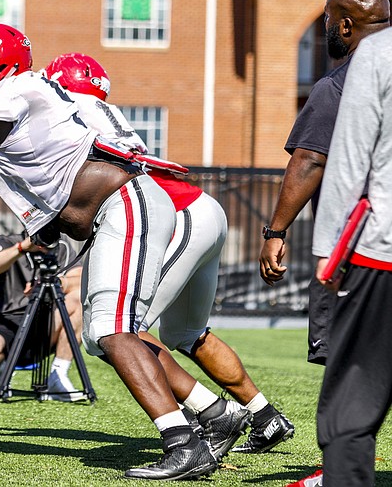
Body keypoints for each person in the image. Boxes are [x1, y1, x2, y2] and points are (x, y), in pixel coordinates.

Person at [0, 22, 256, 480]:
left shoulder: (16, 92)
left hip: (125, 205)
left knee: (112, 330)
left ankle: (184, 443)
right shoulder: (19, 95)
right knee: (106, 332)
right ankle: (214, 416)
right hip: (115, 212)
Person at [45, 52, 295, 454]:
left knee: (116, 330)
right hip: (197, 209)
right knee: (183, 333)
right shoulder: (104, 116)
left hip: (178, 216)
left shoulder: (71, 119)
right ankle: (266, 417)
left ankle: (214, 413)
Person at [258, 0, 390, 366]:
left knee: (348, 366)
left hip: (357, 248)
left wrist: (276, 232)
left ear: (346, 26)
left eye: (329, 18)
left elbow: (311, 160)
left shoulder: (337, 86)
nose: (326, 26)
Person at [311, 27, 392, 487]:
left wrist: (327, 257)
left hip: (382, 255)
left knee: (352, 405)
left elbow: (348, 159)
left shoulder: (378, 52)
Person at [0, 233, 84, 401]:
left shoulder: (61, 245)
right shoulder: (7, 242)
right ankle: (2, 368)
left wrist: (54, 283)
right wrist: (22, 248)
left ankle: (58, 375)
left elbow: (80, 278)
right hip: (0, 322)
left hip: (42, 324)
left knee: (78, 297)